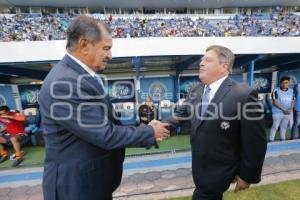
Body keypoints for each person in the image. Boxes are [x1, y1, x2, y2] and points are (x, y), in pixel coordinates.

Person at [38, 15, 170, 200]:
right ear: (84, 44)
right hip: (76, 188)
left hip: (87, 183)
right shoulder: (65, 82)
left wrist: (140, 129)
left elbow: (100, 124)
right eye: (106, 48)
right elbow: (104, 134)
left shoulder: (78, 76)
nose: (110, 55)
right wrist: (149, 132)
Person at [164, 45, 267, 200]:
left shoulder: (243, 94)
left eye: (208, 60)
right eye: (201, 60)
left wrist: (247, 176)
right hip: (199, 167)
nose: (201, 63)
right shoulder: (195, 90)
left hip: (221, 171)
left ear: (223, 67)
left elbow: (256, 141)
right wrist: (155, 128)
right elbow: (180, 114)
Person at [269, 76, 294, 142]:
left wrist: (290, 109)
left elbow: (293, 101)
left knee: (284, 127)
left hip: (287, 112)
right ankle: (271, 141)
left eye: (286, 83)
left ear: (288, 83)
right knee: (275, 127)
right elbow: (274, 102)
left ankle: (282, 140)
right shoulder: (276, 90)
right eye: (283, 83)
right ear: (280, 83)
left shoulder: (291, 91)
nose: (284, 84)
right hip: (277, 113)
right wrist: (283, 109)